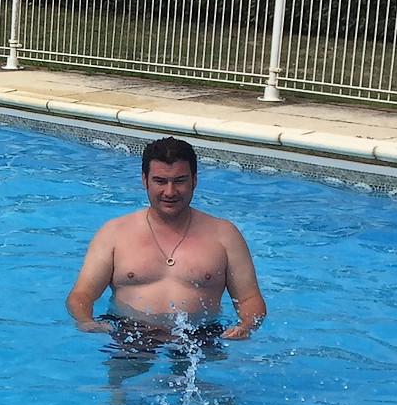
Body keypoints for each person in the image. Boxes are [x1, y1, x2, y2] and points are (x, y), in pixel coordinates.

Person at [66, 137, 266, 343]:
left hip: (201, 334)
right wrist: (85, 321)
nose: (170, 192)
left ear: (194, 180)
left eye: (179, 181)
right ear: (144, 180)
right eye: (160, 181)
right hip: (130, 332)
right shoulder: (114, 233)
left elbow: (249, 299)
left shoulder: (224, 235)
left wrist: (245, 326)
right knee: (122, 374)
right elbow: (81, 295)